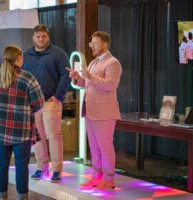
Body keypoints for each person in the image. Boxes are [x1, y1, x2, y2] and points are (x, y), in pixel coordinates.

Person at [67, 31, 122, 190]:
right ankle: (97, 176)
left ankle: (109, 179)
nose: (92, 46)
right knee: (95, 147)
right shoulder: (93, 62)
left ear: (105, 44)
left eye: (95, 43)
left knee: (105, 147)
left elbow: (110, 85)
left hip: (104, 113)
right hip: (90, 111)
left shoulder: (113, 63)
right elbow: (86, 84)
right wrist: (76, 77)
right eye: (91, 43)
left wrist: (89, 76)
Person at [0, 45, 44, 200]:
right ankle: (22, 198)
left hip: (0, 130)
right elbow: (39, 103)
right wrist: (26, 108)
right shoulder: (27, 77)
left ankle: (2, 197)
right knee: (21, 167)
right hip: (22, 132)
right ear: (19, 58)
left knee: (2, 165)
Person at [22, 24, 71, 182]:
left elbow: (66, 75)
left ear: (47, 36)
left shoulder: (58, 53)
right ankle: (41, 167)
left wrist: (58, 96)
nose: (41, 39)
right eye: (38, 36)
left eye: (43, 36)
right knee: (37, 137)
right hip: (32, 102)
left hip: (51, 102)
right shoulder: (26, 55)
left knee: (54, 136)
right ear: (33, 37)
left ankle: (57, 170)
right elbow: (21, 76)